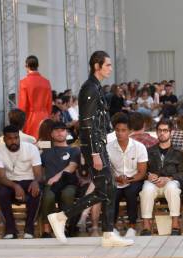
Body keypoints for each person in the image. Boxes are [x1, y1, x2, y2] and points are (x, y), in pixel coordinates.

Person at [47, 51, 134, 247]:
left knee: (107, 188)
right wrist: (95, 153)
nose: (110, 69)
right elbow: (86, 123)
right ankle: (62, 218)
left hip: (97, 144)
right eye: (108, 65)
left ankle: (106, 233)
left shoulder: (95, 87)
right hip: (94, 147)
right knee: (107, 187)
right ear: (97, 66)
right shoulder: (90, 89)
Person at [0, 125, 42, 239]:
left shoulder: (31, 148)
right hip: (9, 182)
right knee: (1, 193)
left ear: (19, 137)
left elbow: (38, 173)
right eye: (10, 138)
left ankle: (29, 230)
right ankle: (10, 230)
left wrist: (35, 182)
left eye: (16, 138)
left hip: (28, 180)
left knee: (36, 192)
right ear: (4, 139)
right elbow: (1, 177)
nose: (13, 141)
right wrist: (15, 186)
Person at [139, 118, 183, 236]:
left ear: (171, 132)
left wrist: (169, 178)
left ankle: (175, 224)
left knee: (172, 188)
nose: (162, 133)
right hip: (153, 182)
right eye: (159, 130)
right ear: (156, 132)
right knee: (146, 190)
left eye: (165, 130)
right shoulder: (149, 151)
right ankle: (146, 226)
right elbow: (142, 171)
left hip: (171, 181)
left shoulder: (178, 152)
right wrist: (148, 175)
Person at [107, 113, 148, 237]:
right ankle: (112, 227)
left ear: (130, 131)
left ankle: (132, 226)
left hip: (135, 180)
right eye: (117, 130)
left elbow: (142, 172)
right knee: (112, 192)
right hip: (116, 180)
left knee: (131, 192)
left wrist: (129, 180)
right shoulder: (108, 148)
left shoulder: (139, 147)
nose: (120, 133)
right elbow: (107, 171)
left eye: (123, 130)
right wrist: (117, 179)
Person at [39, 122, 81, 238]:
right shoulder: (45, 151)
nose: (59, 132)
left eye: (62, 130)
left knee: (67, 195)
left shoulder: (74, 149)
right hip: (50, 184)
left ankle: (66, 226)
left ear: (67, 133)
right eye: (56, 130)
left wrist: (56, 178)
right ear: (51, 134)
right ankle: (47, 230)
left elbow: (72, 167)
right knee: (48, 197)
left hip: (68, 183)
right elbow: (38, 165)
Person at [17, 55, 52, 139]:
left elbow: (23, 106)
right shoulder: (46, 82)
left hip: (30, 119)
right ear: (37, 66)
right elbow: (49, 104)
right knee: (44, 142)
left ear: (27, 66)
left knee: (30, 143)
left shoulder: (24, 82)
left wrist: (20, 122)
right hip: (44, 117)